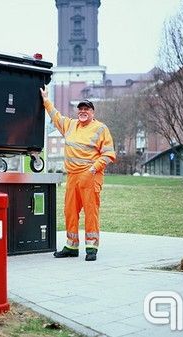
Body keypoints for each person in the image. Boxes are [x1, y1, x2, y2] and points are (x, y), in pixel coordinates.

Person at [40, 86, 116, 261]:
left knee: (91, 212)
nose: (83, 111)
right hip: (72, 176)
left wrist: (93, 168)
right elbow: (55, 115)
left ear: (92, 112)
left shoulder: (100, 128)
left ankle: (91, 248)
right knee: (70, 211)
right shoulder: (70, 125)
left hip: (91, 176)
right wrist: (45, 100)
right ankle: (71, 246)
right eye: (80, 109)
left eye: (86, 109)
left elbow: (109, 154)